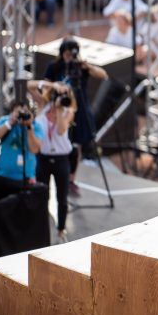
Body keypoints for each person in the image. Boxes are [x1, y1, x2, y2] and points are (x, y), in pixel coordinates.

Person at [44, 38, 108, 197]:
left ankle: (71, 178)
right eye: (66, 54)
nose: (69, 57)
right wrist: (56, 87)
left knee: (77, 146)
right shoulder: (54, 66)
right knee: (62, 142)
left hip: (78, 109)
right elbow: (45, 85)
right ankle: (59, 176)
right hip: (59, 108)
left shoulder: (81, 67)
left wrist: (88, 66)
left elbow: (103, 75)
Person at [28, 79, 76, 243]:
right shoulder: (43, 105)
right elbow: (28, 86)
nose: (63, 96)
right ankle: (40, 226)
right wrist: (50, 85)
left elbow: (62, 130)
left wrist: (60, 108)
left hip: (62, 159)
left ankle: (61, 229)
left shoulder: (68, 110)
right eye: (61, 93)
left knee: (61, 197)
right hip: (43, 158)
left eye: (66, 93)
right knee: (42, 194)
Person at [0, 99, 43, 180]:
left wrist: (29, 126)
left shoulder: (35, 125)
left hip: (27, 176)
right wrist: (9, 123)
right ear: (12, 112)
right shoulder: (5, 120)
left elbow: (34, 149)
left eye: (24, 111)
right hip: (4, 174)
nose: (21, 115)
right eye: (18, 112)